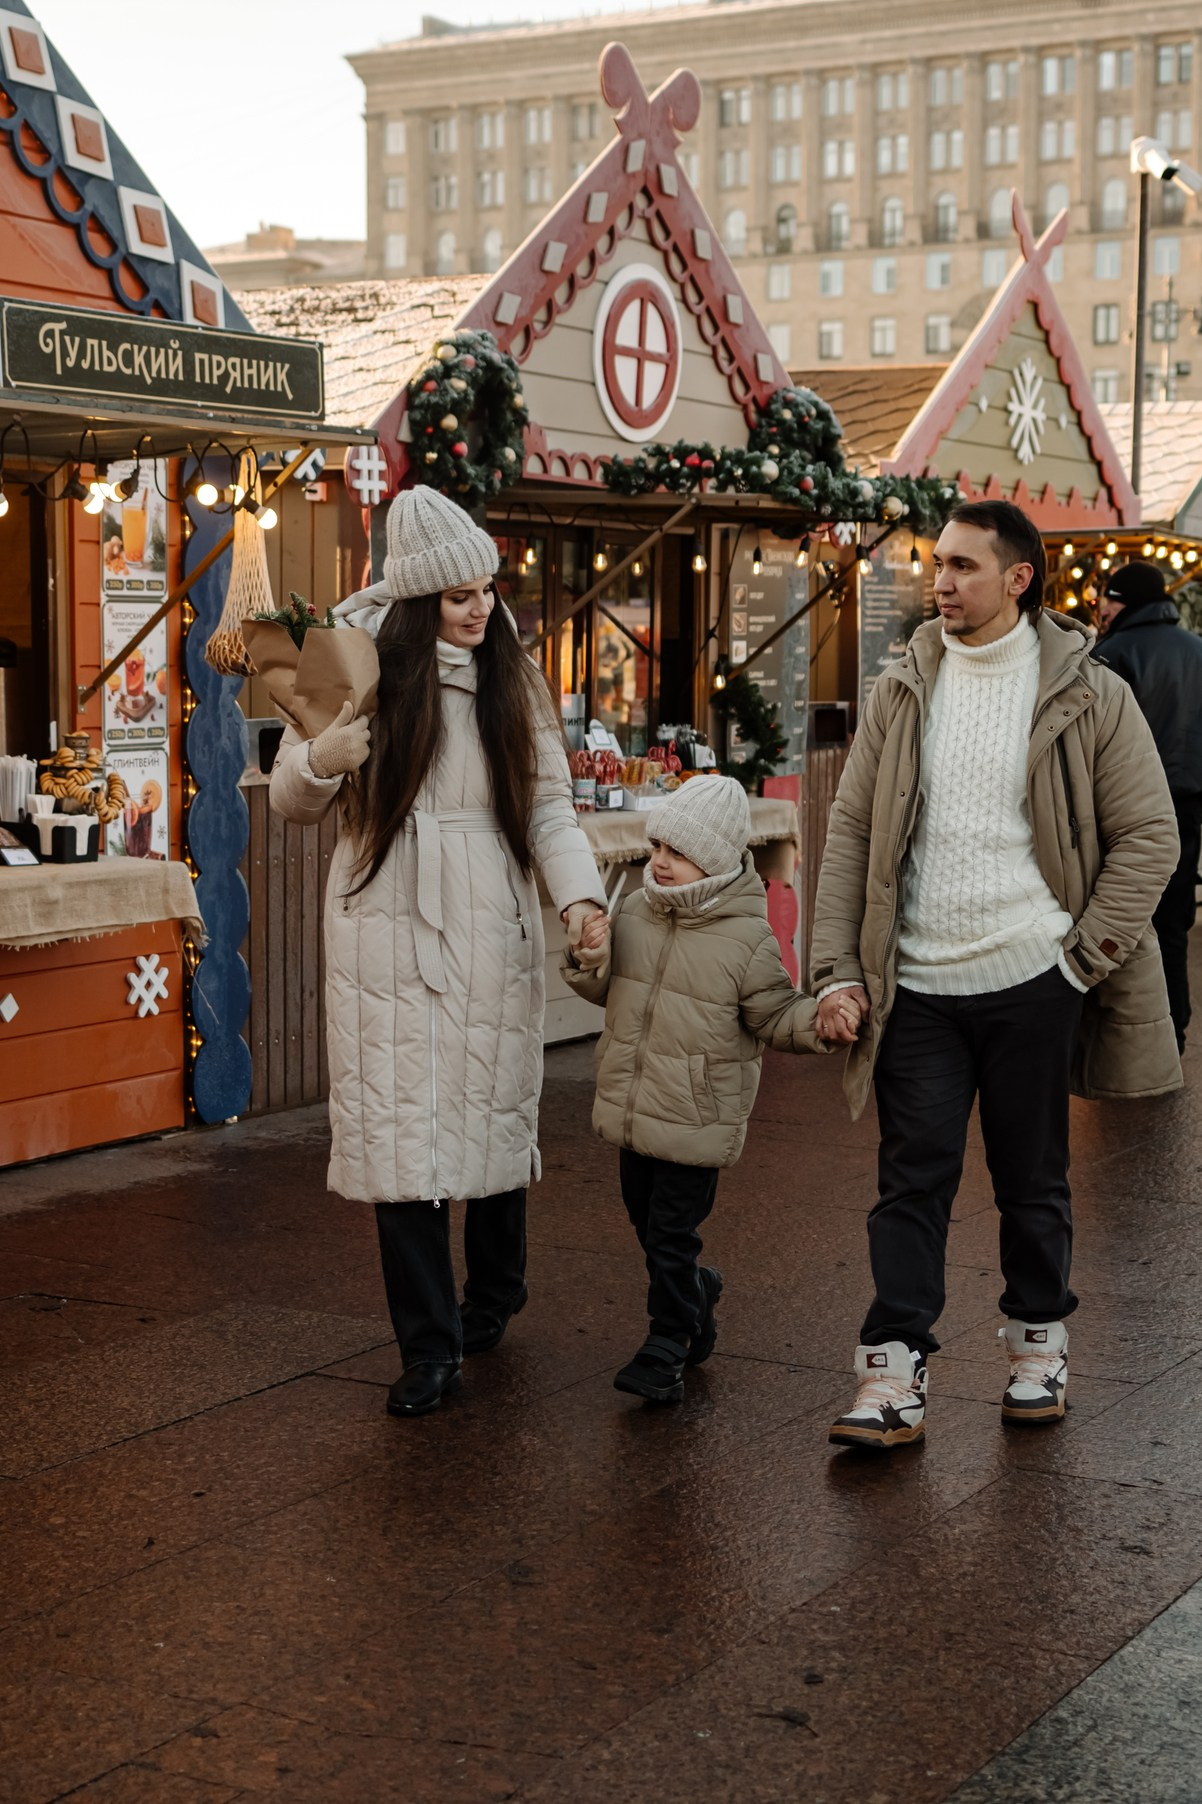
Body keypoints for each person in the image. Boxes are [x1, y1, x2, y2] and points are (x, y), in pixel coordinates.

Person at [810, 499, 1181, 1451]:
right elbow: (851, 833)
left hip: (1032, 979)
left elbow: (1151, 835)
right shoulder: (902, 688)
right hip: (919, 987)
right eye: (938, 563)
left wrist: (1077, 958)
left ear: (1018, 579)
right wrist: (837, 969)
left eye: (964, 567)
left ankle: (1037, 1347)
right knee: (911, 1181)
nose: (941, 581)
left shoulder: (1090, 693)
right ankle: (890, 1373)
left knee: (1032, 1179)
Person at [269, 487, 606, 1418]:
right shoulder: (352, 664)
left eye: (488, 589)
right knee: (398, 1126)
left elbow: (547, 805)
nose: (479, 607)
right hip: (382, 911)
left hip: (488, 907)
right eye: (458, 593)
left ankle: (494, 1291)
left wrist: (580, 898)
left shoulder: (514, 677)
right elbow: (290, 799)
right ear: (418, 597)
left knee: (490, 1104)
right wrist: (323, 755)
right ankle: (427, 1348)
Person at [562, 776, 853, 1404]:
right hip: (635, 1106)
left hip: (698, 1116)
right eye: (657, 845)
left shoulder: (746, 939)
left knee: (670, 1235)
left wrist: (820, 1022)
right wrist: (591, 958)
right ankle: (696, 1292)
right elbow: (603, 989)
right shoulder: (636, 910)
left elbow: (774, 1012)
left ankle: (666, 1344)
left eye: (676, 851)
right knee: (647, 1227)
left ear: (716, 860)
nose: (659, 861)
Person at [1091, 559, 1202, 1055]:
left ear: (1125, 602)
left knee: (1121, 926)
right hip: (1187, 811)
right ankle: (1173, 1033)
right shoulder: (1197, 651)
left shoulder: (1111, 654)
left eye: (1108, 599)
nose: (1101, 608)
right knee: (1172, 926)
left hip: (1124, 814)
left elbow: (1093, 744)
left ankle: (1123, 1043)